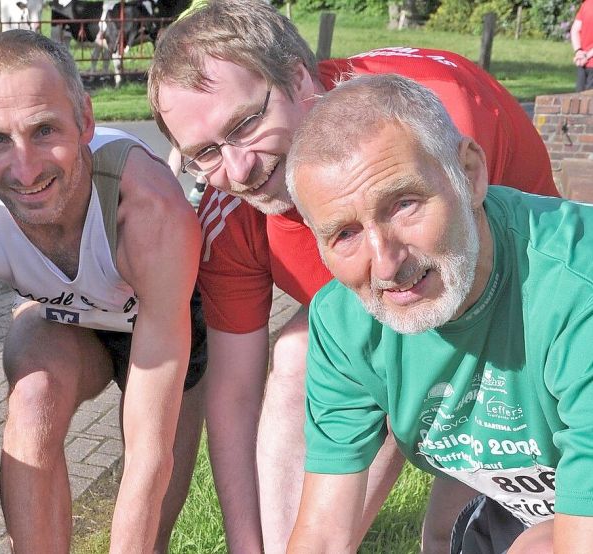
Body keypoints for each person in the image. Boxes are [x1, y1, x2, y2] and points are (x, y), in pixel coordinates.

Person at [147, 0, 560, 551]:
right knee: (300, 353)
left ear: (298, 80)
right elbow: (234, 394)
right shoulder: (232, 213)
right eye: (204, 152)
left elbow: (409, 327)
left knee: (468, 530)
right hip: (406, 301)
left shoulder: (418, 127)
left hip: (512, 296)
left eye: (246, 124)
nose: (240, 169)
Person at [285, 72, 593, 554]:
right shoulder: (344, 322)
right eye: (344, 234)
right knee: (452, 528)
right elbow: (323, 536)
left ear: (468, 174)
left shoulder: (577, 286)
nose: (385, 264)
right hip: (545, 491)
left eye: (404, 205)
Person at [0, 29, 206, 553]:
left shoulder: (150, 212)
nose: (26, 167)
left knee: (152, 525)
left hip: (160, 320)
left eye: (45, 130)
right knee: (31, 402)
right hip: (65, 320)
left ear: (85, 121)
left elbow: (148, 451)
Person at [572, 0, 593, 91]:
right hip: (585, 59)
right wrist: (585, 55)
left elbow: (574, 30)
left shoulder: (587, 4)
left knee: (579, 100)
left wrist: (578, 51)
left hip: (582, 62)